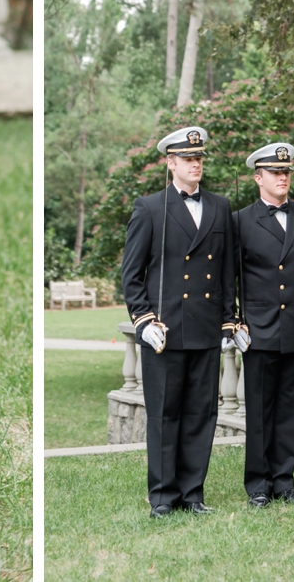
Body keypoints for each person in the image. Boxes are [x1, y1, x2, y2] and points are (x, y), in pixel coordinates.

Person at [121, 126, 236, 516]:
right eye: (188, 159)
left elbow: (226, 272)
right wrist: (142, 319)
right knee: (165, 414)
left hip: (204, 329)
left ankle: (192, 493)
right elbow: (132, 274)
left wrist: (228, 321)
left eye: (199, 158)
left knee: (201, 415)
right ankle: (163, 496)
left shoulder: (220, 206)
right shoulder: (150, 207)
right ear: (171, 163)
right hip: (164, 332)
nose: (195, 164)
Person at [230, 141, 294, 508]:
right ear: (258, 177)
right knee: (260, 411)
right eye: (275, 172)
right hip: (259, 329)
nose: (282, 177)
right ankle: (258, 484)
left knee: (291, 410)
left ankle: (284, 481)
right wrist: (235, 322)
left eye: (286, 172)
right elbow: (231, 277)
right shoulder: (239, 220)